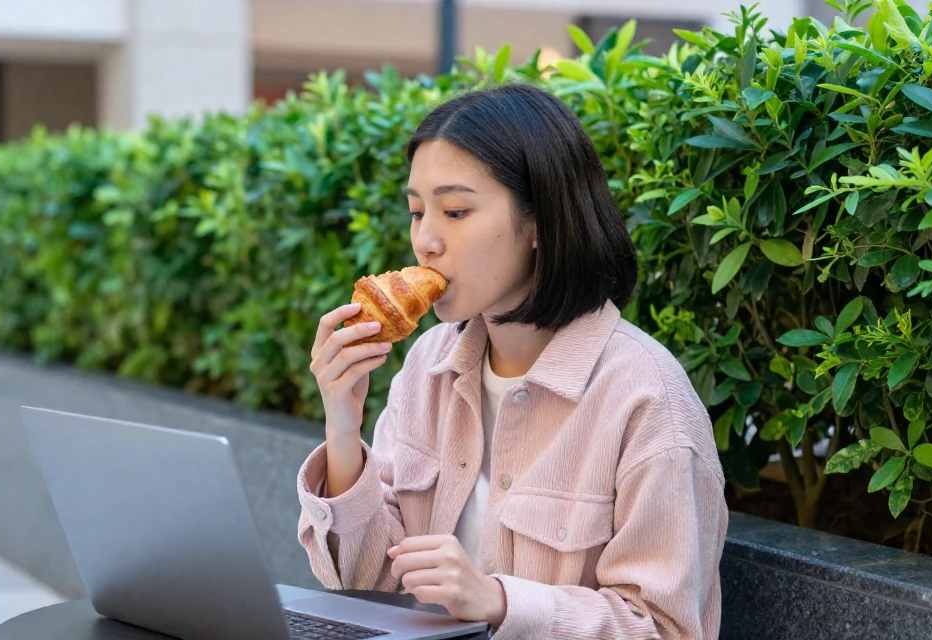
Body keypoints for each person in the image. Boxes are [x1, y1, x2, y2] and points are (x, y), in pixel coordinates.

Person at [298, 83, 727, 639]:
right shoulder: (428, 365)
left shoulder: (646, 397)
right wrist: (342, 425)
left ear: (540, 223)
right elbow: (366, 584)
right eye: (416, 211)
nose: (425, 240)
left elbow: (668, 630)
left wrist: (499, 602)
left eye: (455, 210)